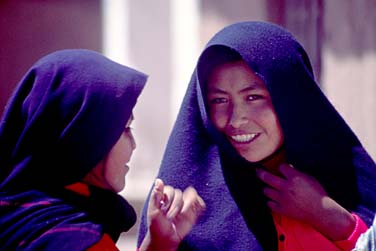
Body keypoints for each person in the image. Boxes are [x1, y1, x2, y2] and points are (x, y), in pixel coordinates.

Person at [137, 21, 376, 250]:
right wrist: (158, 245)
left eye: (253, 97)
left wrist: (328, 216)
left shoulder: (351, 182)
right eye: (219, 100)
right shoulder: (177, 206)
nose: (236, 119)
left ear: (292, 97)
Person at [0, 49, 205, 251]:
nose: (134, 144)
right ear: (86, 137)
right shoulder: (73, 240)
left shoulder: (19, 214)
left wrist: (159, 242)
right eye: (125, 129)